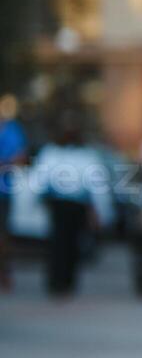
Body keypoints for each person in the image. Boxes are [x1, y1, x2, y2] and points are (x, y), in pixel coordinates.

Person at [33, 114, 107, 297]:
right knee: (58, 243)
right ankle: (57, 281)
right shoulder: (52, 152)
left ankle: (66, 282)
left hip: (76, 205)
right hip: (59, 204)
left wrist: (100, 210)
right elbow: (40, 178)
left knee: (71, 244)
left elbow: (96, 184)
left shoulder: (85, 155)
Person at [0, 95, 27, 291]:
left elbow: (21, 157)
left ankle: (4, 273)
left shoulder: (12, 130)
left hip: (3, 193)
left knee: (3, 237)